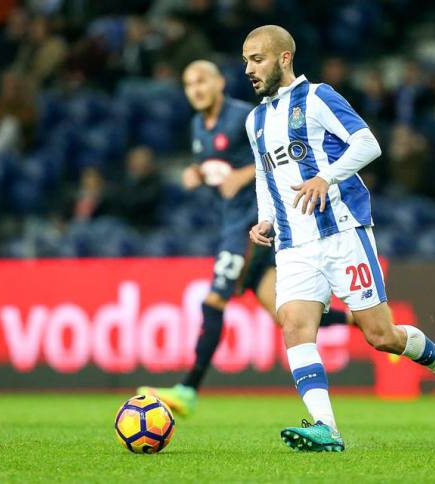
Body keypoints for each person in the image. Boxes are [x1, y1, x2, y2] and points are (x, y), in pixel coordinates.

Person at [243, 25, 435, 453]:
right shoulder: (254, 119)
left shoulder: (317, 97)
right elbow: (264, 173)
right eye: (246, 61)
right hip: (292, 243)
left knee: (381, 335)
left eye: (257, 59)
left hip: (342, 232)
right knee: (294, 325)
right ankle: (326, 428)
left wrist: (325, 177)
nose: (248, 69)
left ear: (284, 58)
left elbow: (368, 144)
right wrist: (266, 220)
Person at [138, 60, 351, 416]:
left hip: (253, 227)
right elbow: (216, 168)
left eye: (202, 81)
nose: (196, 89)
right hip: (232, 224)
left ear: (220, 82)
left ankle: (188, 390)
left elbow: (277, 156)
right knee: (288, 315)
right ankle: (359, 320)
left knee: (214, 301)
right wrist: (196, 174)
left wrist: (244, 174)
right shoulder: (197, 126)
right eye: (189, 84)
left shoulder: (243, 118)